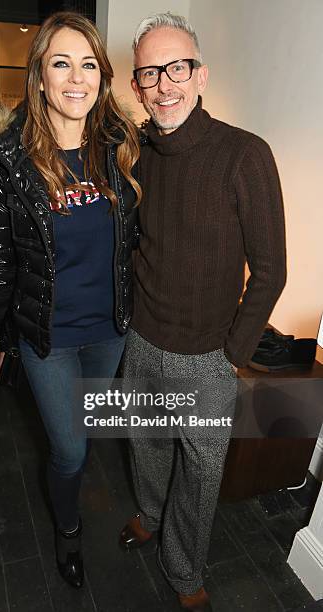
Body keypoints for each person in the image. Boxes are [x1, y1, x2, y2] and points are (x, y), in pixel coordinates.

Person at [119, 12, 286, 612]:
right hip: (141, 341)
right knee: (145, 443)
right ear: (136, 85)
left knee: (200, 473)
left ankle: (183, 567)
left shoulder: (246, 154)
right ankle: (148, 513)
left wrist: (230, 356)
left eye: (176, 68)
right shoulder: (135, 153)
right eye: (148, 73)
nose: (163, 83)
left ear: (200, 74)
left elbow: (270, 271)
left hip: (207, 358)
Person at [0, 11, 140, 590]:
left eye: (88, 64)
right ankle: (67, 529)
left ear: (102, 76)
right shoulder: (7, 162)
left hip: (110, 331)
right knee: (69, 452)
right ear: (39, 75)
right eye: (61, 63)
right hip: (47, 336)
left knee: (87, 431)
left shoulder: (120, 148)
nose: (76, 78)